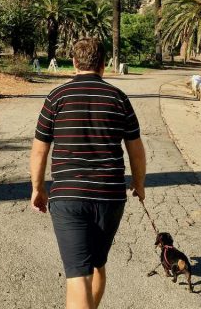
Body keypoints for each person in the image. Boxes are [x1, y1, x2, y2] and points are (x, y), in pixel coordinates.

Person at [30, 38, 146, 309]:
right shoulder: (119, 98)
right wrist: (139, 184)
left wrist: (38, 188)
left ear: (73, 63)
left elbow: (39, 151)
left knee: (77, 274)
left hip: (69, 197)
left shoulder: (56, 97)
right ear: (104, 65)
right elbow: (136, 151)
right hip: (110, 197)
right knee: (97, 265)